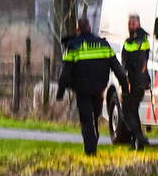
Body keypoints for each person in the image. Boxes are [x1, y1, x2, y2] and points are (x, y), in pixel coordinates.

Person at [57, 17, 129, 156]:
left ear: (78, 30)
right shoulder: (103, 44)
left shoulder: (73, 46)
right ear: (90, 28)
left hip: (82, 89)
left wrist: (60, 92)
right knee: (95, 117)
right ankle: (93, 144)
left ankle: (90, 151)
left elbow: (65, 72)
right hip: (99, 88)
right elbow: (117, 68)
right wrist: (124, 86)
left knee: (86, 120)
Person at [120, 14, 151, 149]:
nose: (131, 25)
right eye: (130, 23)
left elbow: (138, 64)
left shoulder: (141, 40)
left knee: (127, 112)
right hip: (133, 81)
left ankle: (139, 137)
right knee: (132, 112)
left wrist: (131, 80)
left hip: (136, 82)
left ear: (139, 24)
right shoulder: (130, 41)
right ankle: (136, 143)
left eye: (134, 23)